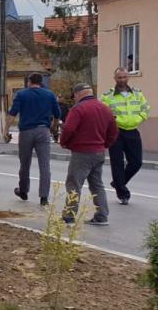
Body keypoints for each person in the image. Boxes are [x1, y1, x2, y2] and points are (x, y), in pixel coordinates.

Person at [59, 83, 118, 225]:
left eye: (74, 96)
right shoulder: (105, 108)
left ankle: (69, 216)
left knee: (74, 184)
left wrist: (64, 142)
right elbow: (114, 131)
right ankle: (102, 216)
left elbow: (69, 129)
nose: (74, 98)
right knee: (97, 184)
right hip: (99, 151)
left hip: (82, 152)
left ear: (78, 94)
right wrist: (105, 144)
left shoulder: (78, 109)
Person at [4, 73, 62, 205]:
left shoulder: (21, 94)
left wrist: (6, 130)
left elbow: (13, 113)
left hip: (26, 132)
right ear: (41, 82)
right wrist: (54, 127)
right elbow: (57, 114)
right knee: (45, 165)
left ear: (29, 82)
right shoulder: (49, 95)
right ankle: (44, 197)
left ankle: (23, 191)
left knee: (25, 163)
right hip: (43, 131)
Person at [101, 67, 150, 205]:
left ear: (128, 77)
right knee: (117, 164)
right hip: (116, 132)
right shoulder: (107, 96)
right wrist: (114, 122)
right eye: (119, 77)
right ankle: (123, 194)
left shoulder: (137, 94)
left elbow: (145, 108)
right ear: (115, 79)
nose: (122, 80)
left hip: (133, 131)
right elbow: (103, 113)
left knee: (136, 162)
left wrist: (139, 118)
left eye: (124, 77)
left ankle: (118, 182)